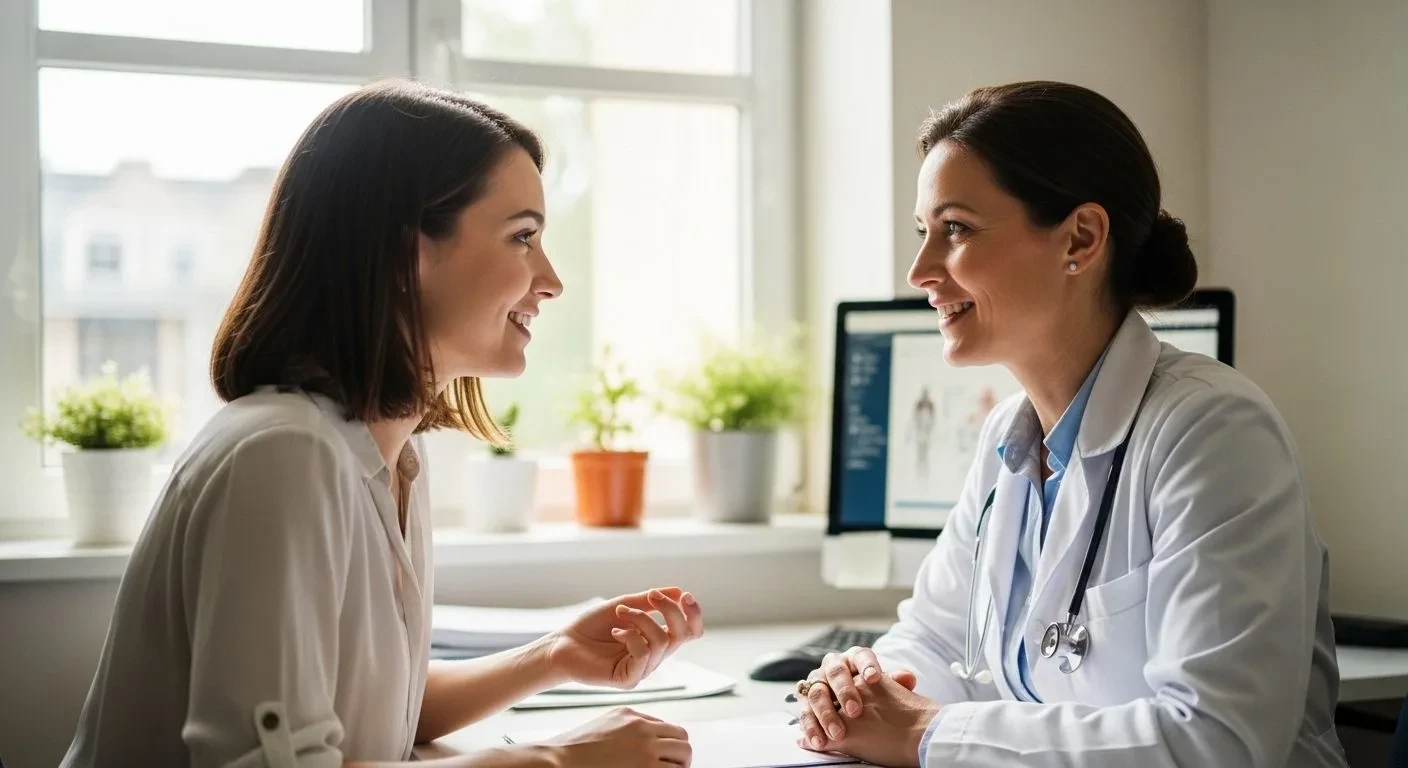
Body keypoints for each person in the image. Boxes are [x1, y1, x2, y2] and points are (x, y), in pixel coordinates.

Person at [61, 80, 702, 768]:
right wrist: (556, 762)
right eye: (523, 237)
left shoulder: (393, 458)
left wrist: (552, 655)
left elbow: (380, 710)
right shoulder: (281, 457)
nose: (550, 280)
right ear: (405, 257)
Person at [794, 81, 1347, 767]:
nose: (919, 271)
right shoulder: (1007, 443)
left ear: (1080, 239)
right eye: (923, 233)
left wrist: (924, 733)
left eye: (956, 229)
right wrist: (859, 689)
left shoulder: (1213, 434)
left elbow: (1215, 742)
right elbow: (935, 641)